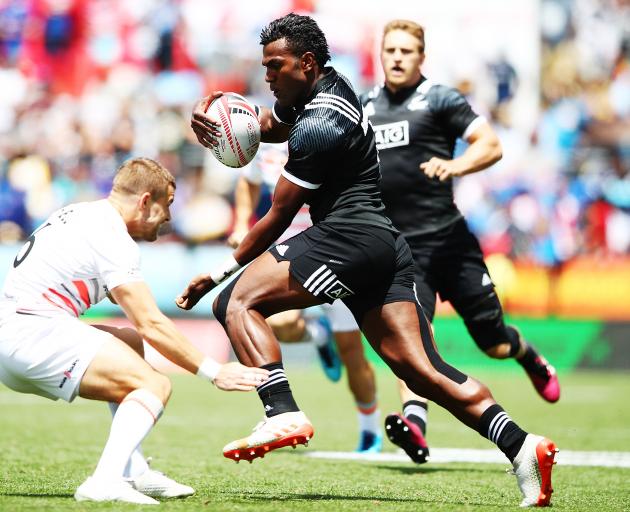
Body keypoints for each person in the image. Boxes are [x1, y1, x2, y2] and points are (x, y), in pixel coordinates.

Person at [180, 14, 558, 507]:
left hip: (347, 238)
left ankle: (282, 411)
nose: (268, 76)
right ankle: (523, 446)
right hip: (385, 244)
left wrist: (217, 272)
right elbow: (274, 123)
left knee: (234, 301)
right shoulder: (328, 90)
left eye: (275, 66)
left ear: (306, 63)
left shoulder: (321, 124)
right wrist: (234, 124)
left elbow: (277, 215)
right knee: (422, 371)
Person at [0, 158, 269, 505]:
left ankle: (133, 470)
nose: (170, 217)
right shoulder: (111, 235)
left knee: (128, 342)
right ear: (145, 201)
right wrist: (214, 371)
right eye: (167, 205)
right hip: (32, 336)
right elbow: (151, 322)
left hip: (17, 332)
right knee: (155, 384)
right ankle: (104, 480)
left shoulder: (83, 214)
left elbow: (132, 311)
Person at [360, 19, 561, 465]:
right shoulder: (365, 106)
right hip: (401, 251)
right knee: (413, 337)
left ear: (421, 57)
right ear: (380, 54)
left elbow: (490, 144)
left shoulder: (441, 99)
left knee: (493, 342)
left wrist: (456, 167)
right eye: (390, 49)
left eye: (406, 51)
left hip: (450, 243)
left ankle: (527, 356)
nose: (396, 57)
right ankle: (415, 423)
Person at [229, 143, 382, 453]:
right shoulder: (266, 144)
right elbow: (249, 181)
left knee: (352, 353)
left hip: (337, 251)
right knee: (281, 325)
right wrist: (241, 222)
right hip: (291, 254)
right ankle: (318, 335)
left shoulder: (331, 130)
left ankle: (370, 430)